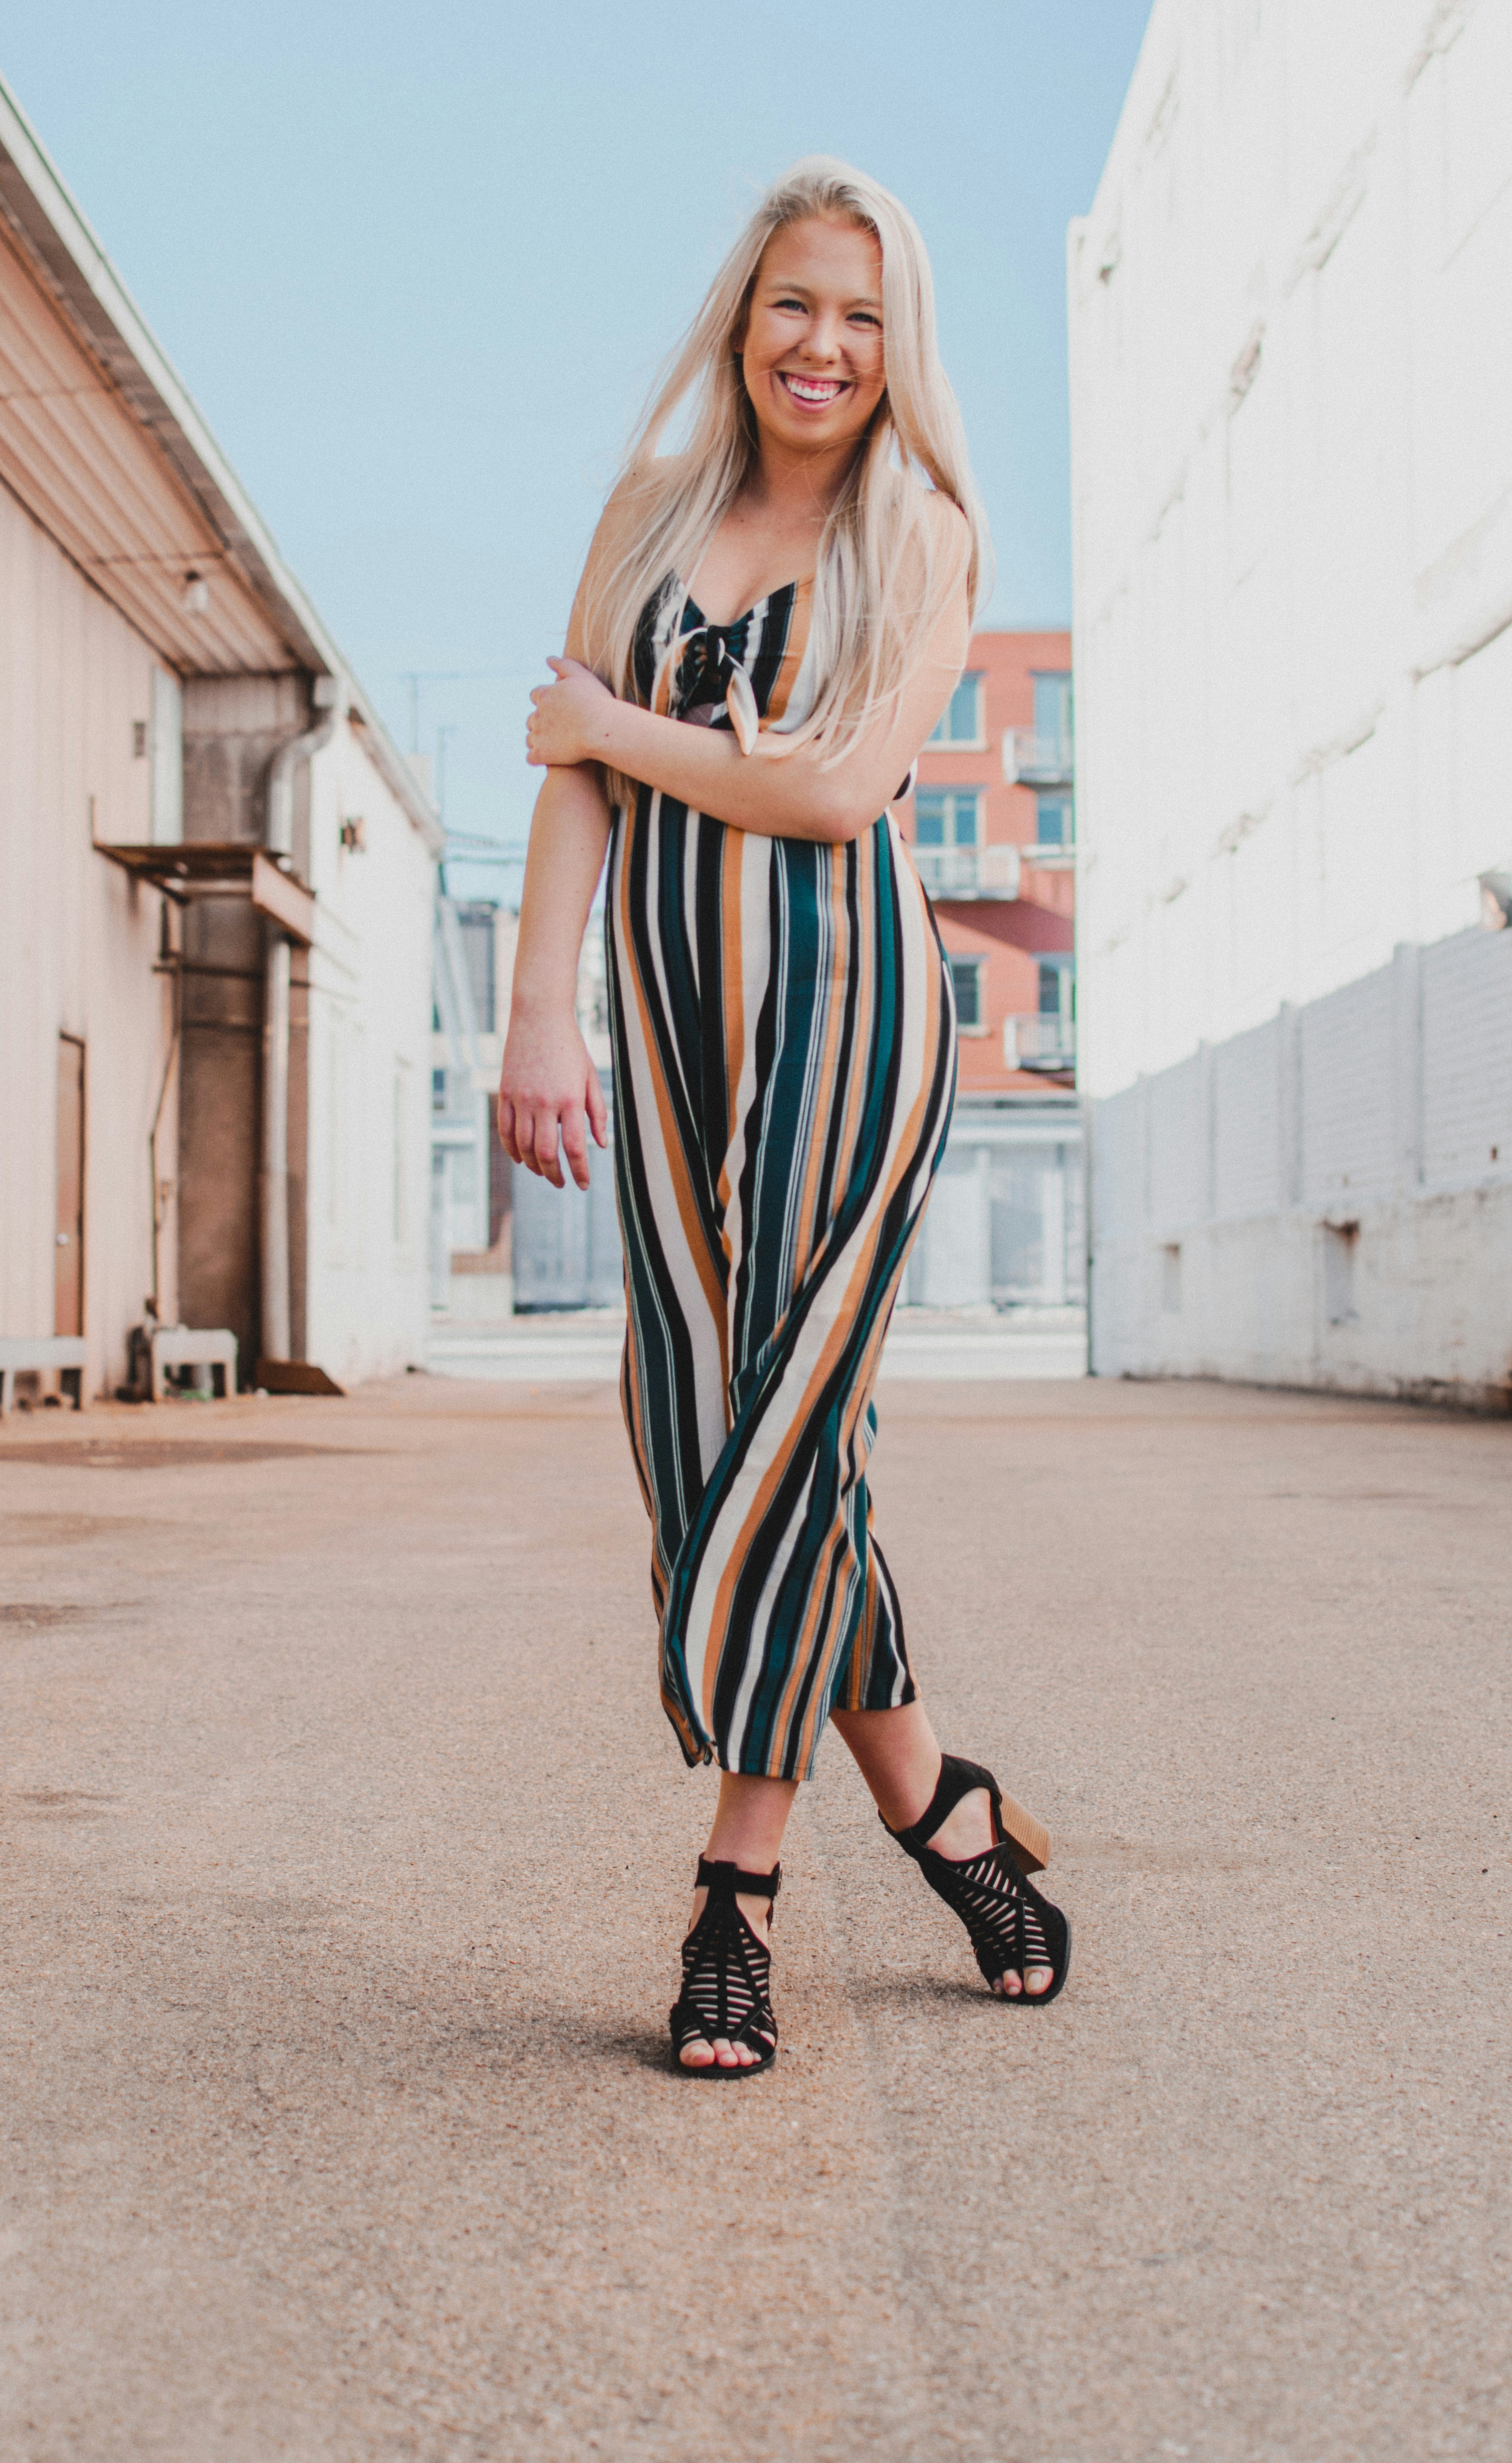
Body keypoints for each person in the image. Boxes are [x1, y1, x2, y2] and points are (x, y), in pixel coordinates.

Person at [500, 158, 1071, 2075]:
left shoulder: (926, 529)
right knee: (704, 1440)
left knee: (786, 1423)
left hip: (855, 1024)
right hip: (667, 1044)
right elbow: (570, 799)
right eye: (794, 308)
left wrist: (601, 722)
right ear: (740, 321)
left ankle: (734, 1892)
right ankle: (947, 1814)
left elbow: (836, 792)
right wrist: (537, 1016)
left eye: (863, 317)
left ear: (898, 345)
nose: (824, 349)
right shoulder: (647, 512)